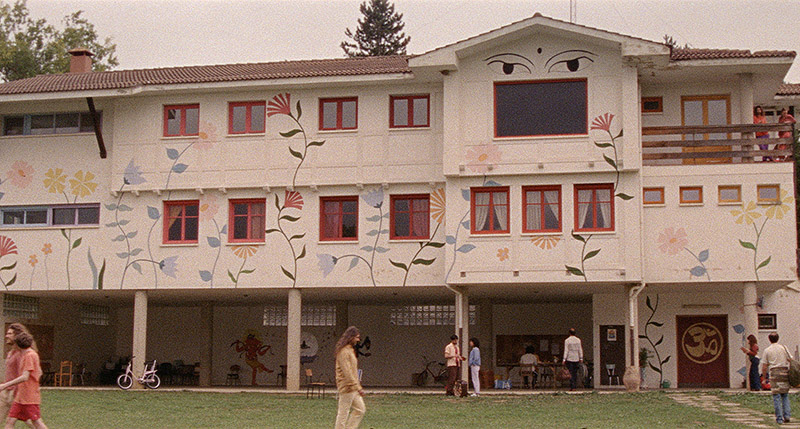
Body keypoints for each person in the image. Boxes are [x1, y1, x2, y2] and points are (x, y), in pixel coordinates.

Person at [0, 332, 47, 429]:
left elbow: (25, 377)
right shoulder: (26, 355)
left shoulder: (30, 355)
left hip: (29, 398)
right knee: (10, 421)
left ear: (18, 345)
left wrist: (5, 385)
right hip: (20, 398)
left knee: (36, 422)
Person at [2, 324, 33, 428]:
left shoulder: (22, 354)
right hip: (6, 392)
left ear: (17, 336)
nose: (6, 336)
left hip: (16, 393)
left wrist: (15, 390)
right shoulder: (11, 352)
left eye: (10, 334)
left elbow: (24, 375)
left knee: (31, 421)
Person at [334, 326, 365, 429]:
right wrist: (358, 387)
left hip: (353, 387)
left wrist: (357, 386)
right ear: (350, 337)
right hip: (347, 387)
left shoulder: (350, 350)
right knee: (343, 413)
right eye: (356, 337)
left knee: (360, 409)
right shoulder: (343, 351)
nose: (358, 340)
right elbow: (347, 372)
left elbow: (352, 370)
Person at [761, 332, 791, 424]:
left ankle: (779, 418)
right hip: (784, 372)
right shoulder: (784, 348)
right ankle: (787, 415)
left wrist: (764, 378)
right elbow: (790, 359)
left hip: (774, 373)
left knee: (776, 396)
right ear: (778, 338)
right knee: (785, 395)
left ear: (769, 339)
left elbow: (764, 365)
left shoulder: (767, 350)